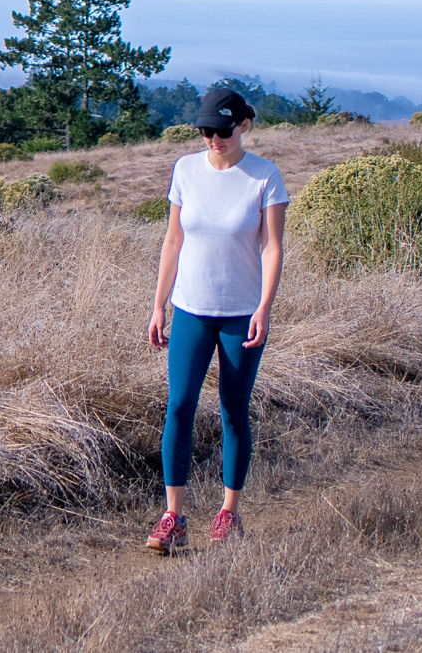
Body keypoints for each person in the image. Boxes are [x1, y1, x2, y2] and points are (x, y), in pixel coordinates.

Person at [143, 85, 288, 554]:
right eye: (206, 131)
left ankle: (229, 512)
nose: (213, 139)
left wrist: (264, 307)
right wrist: (158, 304)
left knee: (232, 410)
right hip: (190, 308)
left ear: (243, 126)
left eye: (222, 131)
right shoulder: (186, 169)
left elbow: (271, 247)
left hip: (240, 314)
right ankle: (173, 516)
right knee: (179, 406)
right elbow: (172, 241)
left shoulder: (264, 177)